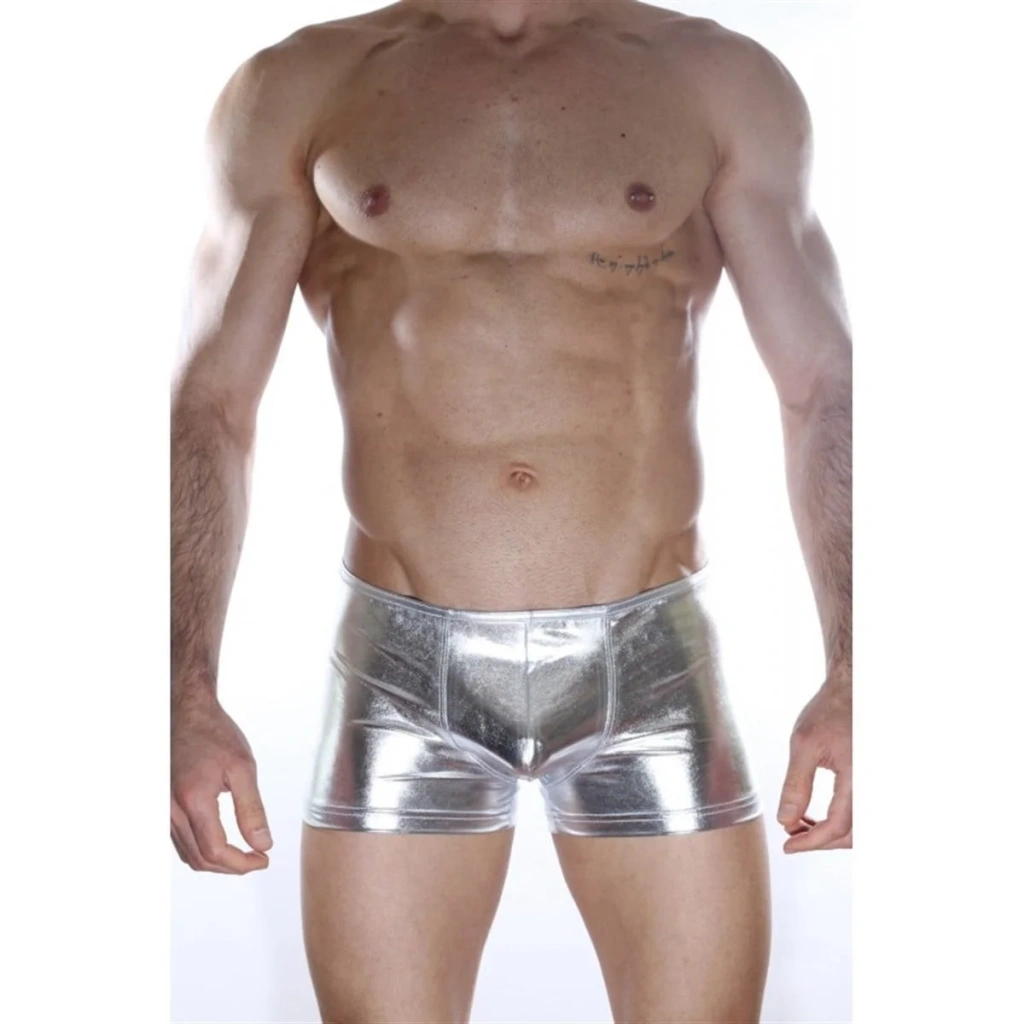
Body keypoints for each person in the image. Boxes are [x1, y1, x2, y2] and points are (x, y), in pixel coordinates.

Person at [170, 1, 852, 1020]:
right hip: (401, 674)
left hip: (651, 668)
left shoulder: (715, 78)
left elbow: (822, 386)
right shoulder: (301, 84)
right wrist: (182, 689)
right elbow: (213, 404)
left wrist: (858, 670)